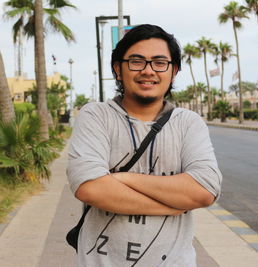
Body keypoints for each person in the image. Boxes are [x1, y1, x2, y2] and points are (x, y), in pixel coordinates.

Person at [67, 24, 222, 267]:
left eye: (160, 63)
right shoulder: (96, 115)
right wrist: (172, 206)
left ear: (174, 71)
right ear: (118, 69)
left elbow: (205, 189)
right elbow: (90, 188)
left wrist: (121, 178)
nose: (148, 71)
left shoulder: (188, 123)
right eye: (136, 61)